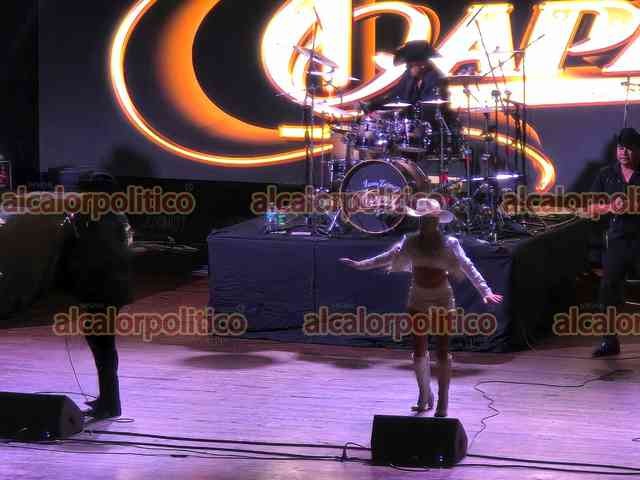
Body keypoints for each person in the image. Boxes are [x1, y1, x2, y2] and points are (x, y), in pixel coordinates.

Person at [339, 198, 502, 417]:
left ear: (438, 220)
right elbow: (388, 257)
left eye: (432, 219)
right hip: (418, 296)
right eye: (424, 219)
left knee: (442, 350)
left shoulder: (450, 243)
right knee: (419, 349)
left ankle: (443, 401)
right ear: (419, 220)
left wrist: (485, 291)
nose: (428, 222)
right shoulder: (410, 242)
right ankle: (424, 395)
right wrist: (361, 265)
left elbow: (468, 266)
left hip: (442, 297)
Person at [66, 172, 134, 419]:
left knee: (102, 346)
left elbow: (96, 255)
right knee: (102, 346)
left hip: (102, 291)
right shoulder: (112, 216)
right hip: (109, 290)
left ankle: (110, 403)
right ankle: (108, 399)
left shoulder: (101, 220)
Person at [589, 128, 640, 357]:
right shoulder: (607, 174)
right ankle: (609, 342)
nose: (623, 153)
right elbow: (591, 207)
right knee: (607, 291)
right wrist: (611, 207)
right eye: (620, 148)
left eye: (628, 148)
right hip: (618, 240)